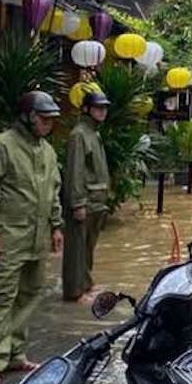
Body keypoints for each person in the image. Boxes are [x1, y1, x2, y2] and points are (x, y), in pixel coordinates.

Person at [0, 91, 64, 384]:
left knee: (29, 295)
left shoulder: (47, 151)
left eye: (51, 119)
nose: (48, 124)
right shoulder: (2, 146)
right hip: (8, 236)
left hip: (36, 237)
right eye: (44, 118)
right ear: (27, 116)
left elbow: (53, 191)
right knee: (0, 299)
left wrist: (56, 226)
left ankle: (14, 354)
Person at [63, 88, 111, 304]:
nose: (102, 112)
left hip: (97, 200)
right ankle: (75, 291)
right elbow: (75, 170)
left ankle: (86, 282)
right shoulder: (79, 134)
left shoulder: (94, 133)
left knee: (88, 246)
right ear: (86, 109)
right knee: (77, 248)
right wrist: (77, 203)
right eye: (98, 108)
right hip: (85, 200)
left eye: (104, 108)